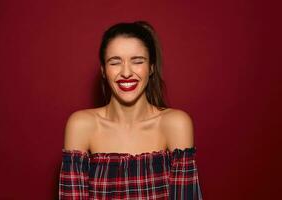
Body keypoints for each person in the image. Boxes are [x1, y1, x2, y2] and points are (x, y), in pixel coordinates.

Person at [59, 21, 203, 199]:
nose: (126, 72)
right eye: (115, 62)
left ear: (151, 67)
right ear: (103, 70)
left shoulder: (175, 124)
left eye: (137, 61)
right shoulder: (81, 125)